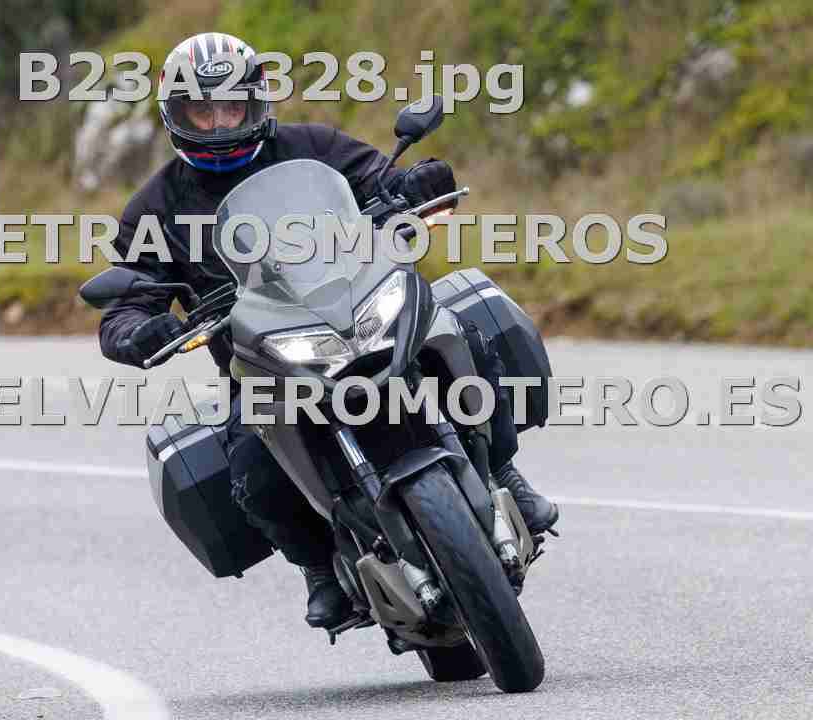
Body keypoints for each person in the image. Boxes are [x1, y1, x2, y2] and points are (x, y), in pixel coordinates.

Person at [98, 32, 558, 630]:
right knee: (251, 464)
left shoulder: (311, 147)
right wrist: (136, 328)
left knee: (461, 335)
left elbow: (378, 180)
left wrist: (414, 186)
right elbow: (124, 302)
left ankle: (501, 471)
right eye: (202, 111)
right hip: (263, 359)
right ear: (175, 116)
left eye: (231, 106)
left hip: (362, 306)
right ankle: (318, 567)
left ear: (256, 101)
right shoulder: (155, 207)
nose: (218, 123)